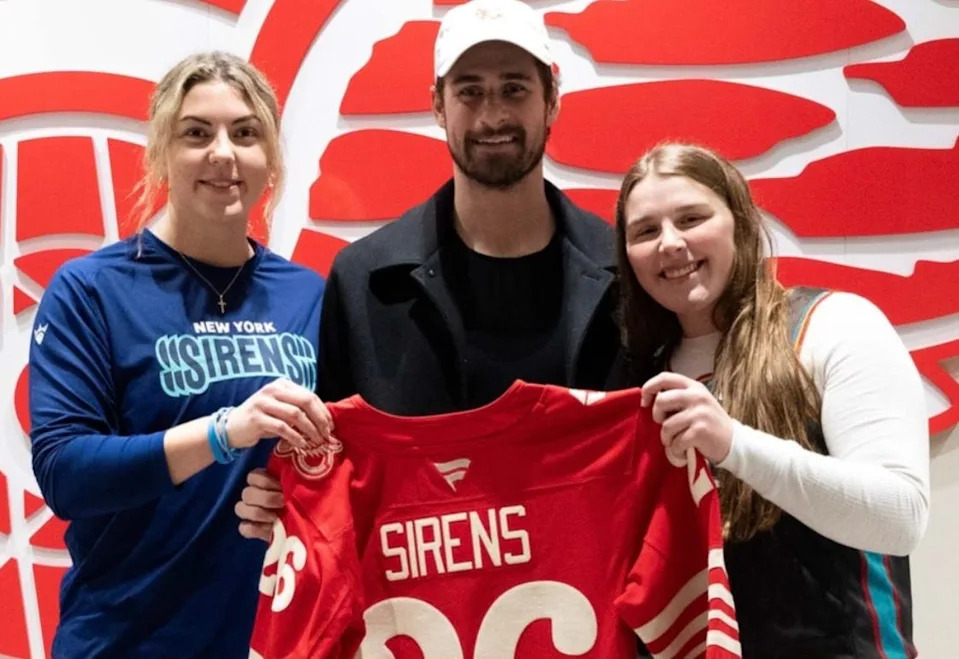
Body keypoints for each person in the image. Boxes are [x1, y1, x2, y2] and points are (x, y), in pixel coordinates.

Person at [236, 0, 620, 541]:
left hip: (593, 607)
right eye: (469, 91)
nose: (492, 117)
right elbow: (336, 468)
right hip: (418, 618)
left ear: (551, 100)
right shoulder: (365, 279)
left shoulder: (624, 273)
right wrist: (286, 501)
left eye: (514, 88)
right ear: (438, 105)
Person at [29, 51, 329, 658]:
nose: (223, 152)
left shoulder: (308, 293)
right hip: (124, 639)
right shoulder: (92, 288)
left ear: (269, 158)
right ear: (163, 150)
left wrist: (296, 498)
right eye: (197, 133)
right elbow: (66, 471)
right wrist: (223, 432)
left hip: (271, 642)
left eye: (245, 133)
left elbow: (340, 454)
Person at [616, 142, 929, 657]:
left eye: (691, 218)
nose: (670, 244)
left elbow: (899, 518)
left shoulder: (832, 325)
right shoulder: (638, 380)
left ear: (738, 220)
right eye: (645, 231)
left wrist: (733, 443)